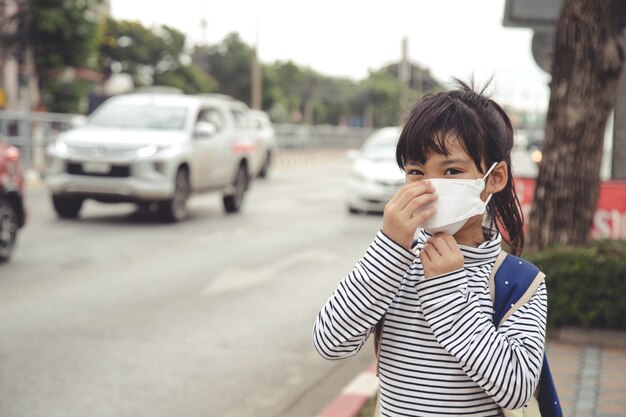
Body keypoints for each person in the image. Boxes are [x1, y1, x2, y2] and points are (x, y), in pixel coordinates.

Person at [312, 81, 547, 416]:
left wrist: (448, 295)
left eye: (451, 171)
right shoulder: (392, 262)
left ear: (494, 178)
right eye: (416, 172)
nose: (432, 186)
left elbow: (516, 390)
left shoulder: (520, 282)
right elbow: (330, 342)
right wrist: (390, 247)